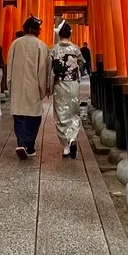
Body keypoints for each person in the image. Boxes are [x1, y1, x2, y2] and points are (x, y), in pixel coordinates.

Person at [7, 15, 49, 159]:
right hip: (33, 86)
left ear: (25, 29)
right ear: (35, 30)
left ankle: (21, 143)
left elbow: (10, 66)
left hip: (18, 85)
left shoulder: (15, 44)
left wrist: (10, 84)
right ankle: (29, 146)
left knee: (19, 116)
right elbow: (43, 69)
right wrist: (44, 89)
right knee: (33, 117)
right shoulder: (41, 46)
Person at [51, 21, 86, 158]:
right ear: (70, 34)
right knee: (73, 112)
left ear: (59, 34)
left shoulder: (54, 49)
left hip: (60, 84)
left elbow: (49, 68)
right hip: (73, 84)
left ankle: (65, 146)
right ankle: (72, 137)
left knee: (60, 114)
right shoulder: (76, 49)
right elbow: (82, 62)